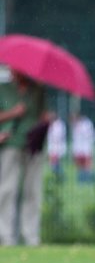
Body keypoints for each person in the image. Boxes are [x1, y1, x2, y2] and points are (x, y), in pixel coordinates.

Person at [0, 73, 48, 246]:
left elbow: (42, 114)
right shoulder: (3, 88)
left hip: (34, 144)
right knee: (7, 190)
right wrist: (13, 113)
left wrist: (46, 120)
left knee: (32, 191)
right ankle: (5, 237)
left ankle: (31, 237)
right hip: (10, 142)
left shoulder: (38, 89)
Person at [71, 112, 95, 184]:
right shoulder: (75, 126)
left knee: (87, 164)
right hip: (78, 149)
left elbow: (89, 135)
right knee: (79, 165)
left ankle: (89, 179)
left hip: (86, 148)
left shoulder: (87, 124)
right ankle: (82, 179)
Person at [46, 114, 66, 180]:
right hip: (52, 147)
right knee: (52, 163)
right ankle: (55, 176)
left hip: (57, 147)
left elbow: (57, 137)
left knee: (55, 162)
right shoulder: (51, 124)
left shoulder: (59, 125)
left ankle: (60, 177)